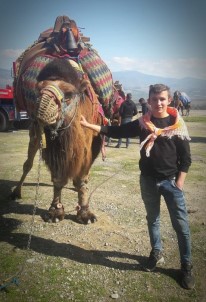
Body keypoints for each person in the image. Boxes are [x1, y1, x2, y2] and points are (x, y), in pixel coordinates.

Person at [80, 83, 195, 290]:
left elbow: (186, 158)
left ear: (168, 100)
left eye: (162, 99)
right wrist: (89, 125)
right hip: (148, 181)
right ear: (149, 101)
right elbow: (116, 130)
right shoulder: (142, 123)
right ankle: (156, 252)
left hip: (171, 183)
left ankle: (186, 266)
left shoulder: (177, 124)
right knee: (153, 220)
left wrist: (179, 183)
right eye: (154, 99)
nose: (158, 102)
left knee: (181, 226)